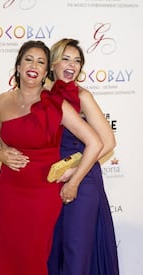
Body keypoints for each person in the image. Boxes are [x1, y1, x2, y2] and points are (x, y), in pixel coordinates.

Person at [0, 40, 103, 275]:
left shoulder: (56, 104)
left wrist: (73, 181)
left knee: (33, 254)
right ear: (18, 66)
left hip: (44, 192)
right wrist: (1, 154)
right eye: (28, 59)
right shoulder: (2, 101)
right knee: (8, 251)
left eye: (41, 61)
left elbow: (95, 143)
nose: (34, 65)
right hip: (9, 188)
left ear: (46, 72)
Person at [47, 38, 119, 275]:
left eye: (77, 61)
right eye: (65, 59)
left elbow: (107, 142)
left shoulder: (83, 96)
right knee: (52, 251)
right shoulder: (38, 93)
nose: (72, 65)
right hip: (48, 182)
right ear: (52, 64)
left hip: (82, 180)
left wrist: (74, 173)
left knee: (76, 252)